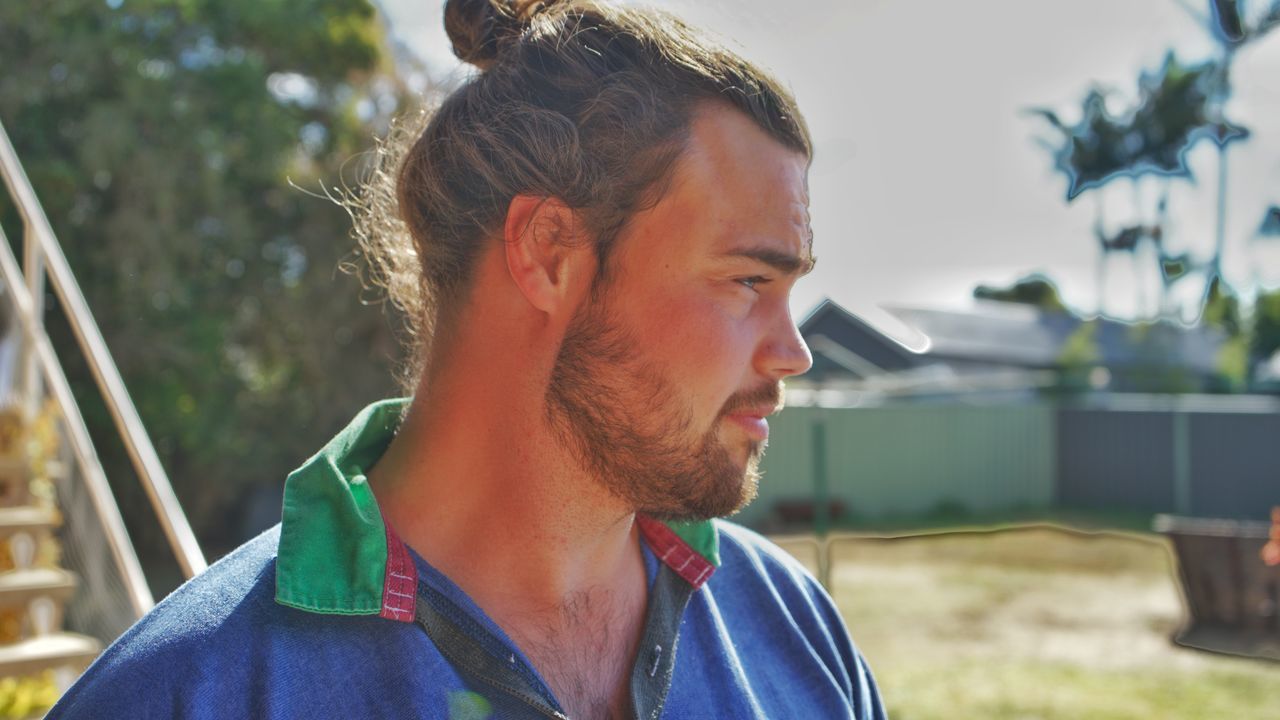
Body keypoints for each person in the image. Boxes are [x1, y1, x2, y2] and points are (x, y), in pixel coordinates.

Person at [49, 1, 886, 718]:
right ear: (550, 252)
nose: (795, 353)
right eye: (747, 280)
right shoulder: (185, 694)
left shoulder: (793, 629)